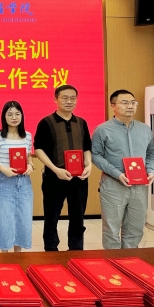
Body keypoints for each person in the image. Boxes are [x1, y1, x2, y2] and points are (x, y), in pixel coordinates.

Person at [91, 89, 154, 249]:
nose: (130, 106)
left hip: (140, 185)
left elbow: (152, 153)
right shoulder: (102, 129)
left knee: (135, 227)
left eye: (133, 103)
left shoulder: (145, 129)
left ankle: (130, 259)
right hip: (113, 184)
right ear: (113, 106)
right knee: (111, 228)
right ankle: (113, 260)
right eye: (125, 103)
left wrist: (151, 170)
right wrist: (117, 174)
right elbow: (96, 155)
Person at [34, 85, 92, 251]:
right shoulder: (46, 122)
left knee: (78, 218)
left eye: (73, 98)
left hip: (79, 178)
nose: (69, 101)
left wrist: (88, 165)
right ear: (56, 99)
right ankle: (51, 250)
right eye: (65, 98)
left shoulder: (81, 122)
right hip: (54, 177)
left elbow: (87, 147)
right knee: (51, 218)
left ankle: (76, 250)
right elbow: (38, 149)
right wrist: (55, 169)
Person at [0, 101, 34, 253]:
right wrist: (4, 169)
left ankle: (18, 254)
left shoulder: (27, 136)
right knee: (4, 218)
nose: (14, 117)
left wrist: (30, 165)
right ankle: (5, 255)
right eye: (10, 114)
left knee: (23, 218)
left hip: (24, 182)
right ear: (4, 117)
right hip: (5, 181)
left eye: (17, 114)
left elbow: (29, 156)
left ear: (22, 116)